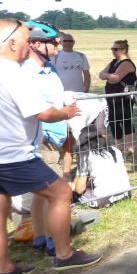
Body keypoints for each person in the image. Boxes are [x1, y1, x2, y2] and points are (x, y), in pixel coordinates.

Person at [0, 19, 102, 274]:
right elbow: (44, 113)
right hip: (13, 154)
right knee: (61, 192)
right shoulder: (13, 73)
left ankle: (5, 269)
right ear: (11, 43)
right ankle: (64, 255)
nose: (29, 47)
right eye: (26, 42)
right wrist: (66, 112)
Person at [20, 21, 66, 257]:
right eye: (53, 42)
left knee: (42, 192)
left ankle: (40, 236)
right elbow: (36, 108)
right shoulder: (27, 72)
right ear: (37, 44)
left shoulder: (49, 68)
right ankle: (54, 241)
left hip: (55, 134)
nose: (58, 46)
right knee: (55, 192)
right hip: (43, 136)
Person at [53, 32, 91, 178]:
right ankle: (63, 164)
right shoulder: (56, 56)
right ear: (61, 43)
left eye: (70, 41)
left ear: (74, 42)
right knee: (62, 132)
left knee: (77, 131)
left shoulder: (81, 56)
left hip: (78, 98)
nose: (68, 43)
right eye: (65, 41)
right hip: (61, 98)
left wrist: (85, 90)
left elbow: (86, 74)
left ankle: (77, 165)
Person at [71, 125, 131, 208]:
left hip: (104, 199)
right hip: (126, 193)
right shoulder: (115, 150)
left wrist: (72, 186)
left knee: (74, 194)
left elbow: (79, 189)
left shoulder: (86, 155)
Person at [98, 39, 136, 154]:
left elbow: (115, 79)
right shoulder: (114, 62)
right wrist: (110, 76)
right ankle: (119, 148)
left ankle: (130, 148)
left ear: (123, 50)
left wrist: (108, 76)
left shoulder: (126, 63)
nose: (113, 51)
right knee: (113, 122)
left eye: (115, 49)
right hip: (112, 98)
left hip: (123, 99)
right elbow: (101, 75)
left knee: (126, 122)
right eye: (112, 49)